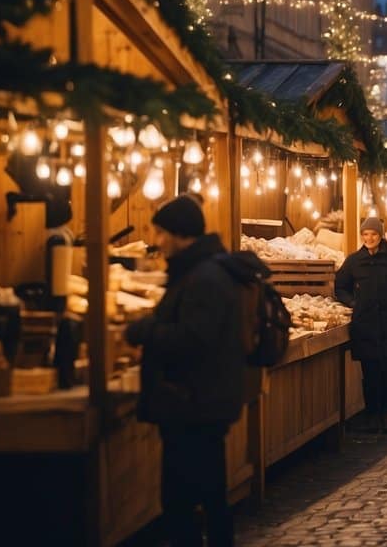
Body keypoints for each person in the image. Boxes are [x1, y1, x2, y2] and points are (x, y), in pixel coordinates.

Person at [124, 197, 244, 546]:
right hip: (198, 403)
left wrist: (144, 330)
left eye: (161, 233)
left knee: (182, 500)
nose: (157, 241)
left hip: (194, 404)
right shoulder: (199, 271)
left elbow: (193, 338)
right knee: (207, 494)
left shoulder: (203, 277)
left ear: (179, 233)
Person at [335, 215, 387, 433]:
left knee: (386, 372)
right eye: (365, 234)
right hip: (365, 325)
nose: (369, 238)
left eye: (372, 234)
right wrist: (354, 302)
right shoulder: (354, 261)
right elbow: (340, 286)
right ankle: (372, 415)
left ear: (380, 236)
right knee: (369, 373)